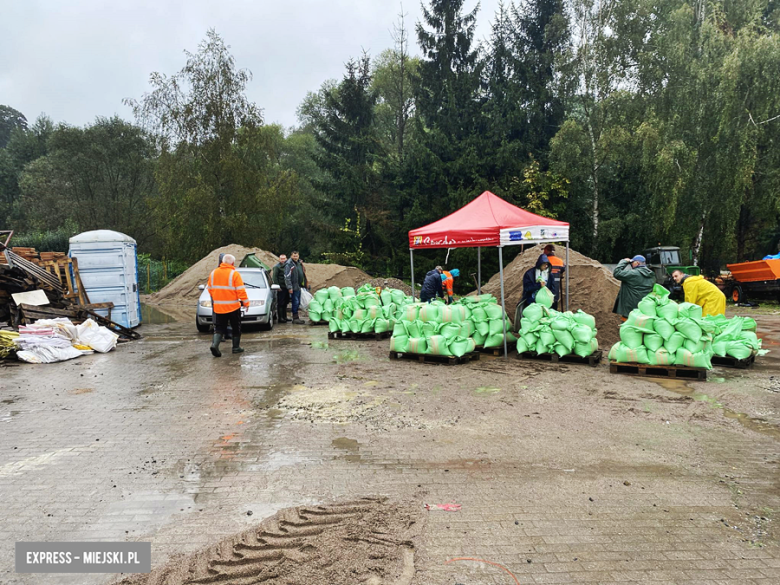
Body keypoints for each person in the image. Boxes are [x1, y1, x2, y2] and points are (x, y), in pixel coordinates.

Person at [206, 254, 249, 357]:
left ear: (222, 262)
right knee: (236, 327)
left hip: (219, 307)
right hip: (233, 307)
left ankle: (215, 345)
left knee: (219, 327)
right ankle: (236, 347)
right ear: (233, 263)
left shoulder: (213, 273)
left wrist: (217, 298)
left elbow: (209, 289)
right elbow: (241, 291)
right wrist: (246, 303)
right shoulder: (234, 274)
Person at [613, 255, 655, 319]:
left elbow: (617, 273)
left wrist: (624, 261)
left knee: (628, 327)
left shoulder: (633, 274)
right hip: (644, 308)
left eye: (632, 263)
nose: (631, 265)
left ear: (637, 263)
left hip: (630, 310)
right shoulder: (651, 275)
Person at [284, 251, 308, 324]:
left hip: (299, 286)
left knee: (297, 302)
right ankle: (295, 318)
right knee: (295, 302)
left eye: (296, 256)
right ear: (291, 256)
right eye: (294, 256)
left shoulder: (299, 263)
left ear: (298, 256)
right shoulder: (289, 264)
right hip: (294, 287)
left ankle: (296, 317)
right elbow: (287, 277)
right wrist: (289, 287)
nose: (295, 257)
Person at [540, 244, 566, 310]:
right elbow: (563, 269)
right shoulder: (560, 261)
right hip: (556, 286)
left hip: (545, 286)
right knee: (554, 303)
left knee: (545, 304)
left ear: (546, 250)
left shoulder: (544, 260)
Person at [272, 254, 289, 323]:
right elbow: (274, 277)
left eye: (284, 258)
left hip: (287, 287)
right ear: (279, 259)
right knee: (281, 303)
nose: (283, 260)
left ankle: (285, 316)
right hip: (281, 287)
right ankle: (280, 317)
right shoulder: (277, 267)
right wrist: (277, 286)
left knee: (285, 302)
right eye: (281, 259)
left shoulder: (287, 265)